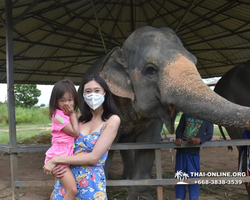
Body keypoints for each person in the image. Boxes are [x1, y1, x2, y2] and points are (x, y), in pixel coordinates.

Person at [44, 75, 121, 200]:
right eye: (88, 91)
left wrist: (56, 160)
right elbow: (61, 144)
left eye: (97, 90)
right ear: (83, 95)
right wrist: (54, 167)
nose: (92, 95)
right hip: (67, 186)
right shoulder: (77, 119)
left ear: (105, 93)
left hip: (91, 186)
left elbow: (93, 158)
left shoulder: (112, 120)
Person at [44, 79, 79, 200]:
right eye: (62, 100)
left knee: (59, 189)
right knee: (72, 190)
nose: (67, 103)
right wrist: (72, 115)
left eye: (70, 100)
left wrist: (73, 115)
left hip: (64, 155)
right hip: (59, 157)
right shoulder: (58, 116)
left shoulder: (67, 114)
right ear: (56, 101)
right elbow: (75, 132)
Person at [174, 113, 214, 200]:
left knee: (194, 178)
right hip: (181, 151)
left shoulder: (208, 117)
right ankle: (179, 198)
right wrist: (179, 139)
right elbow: (179, 130)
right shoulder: (186, 114)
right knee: (179, 178)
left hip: (194, 153)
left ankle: (194, 198)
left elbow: (209, 135)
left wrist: (200, 140)